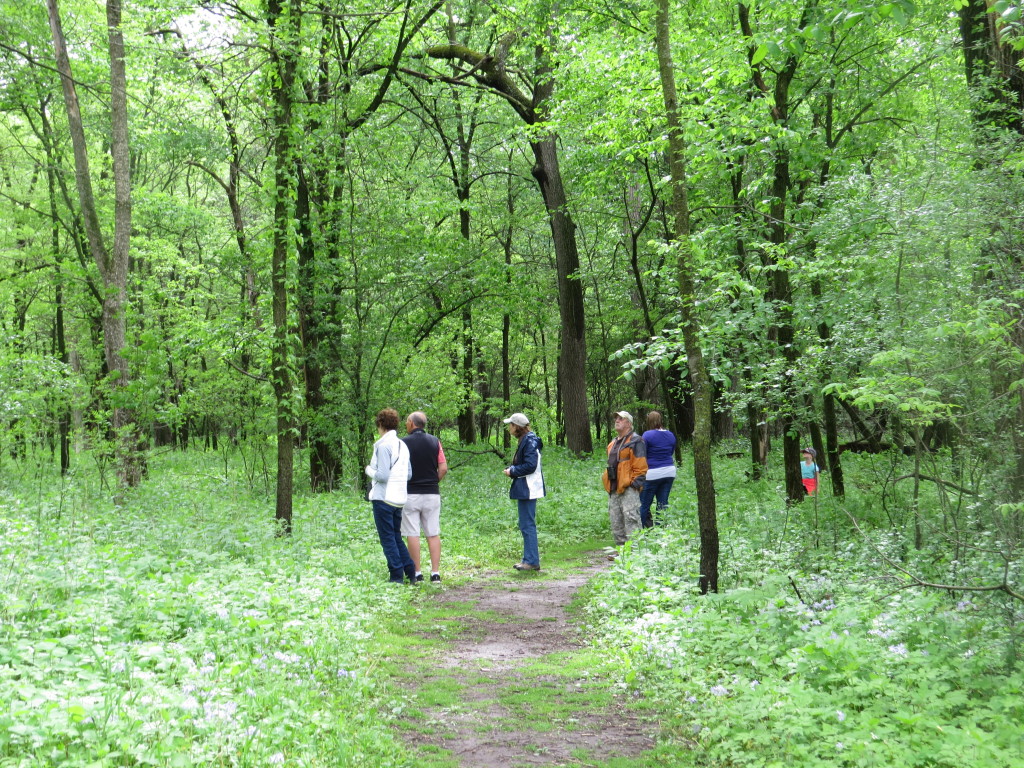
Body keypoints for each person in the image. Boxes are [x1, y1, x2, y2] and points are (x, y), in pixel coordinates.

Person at [365, 408, 415, 584]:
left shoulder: (384, 446)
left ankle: (396, 577)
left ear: (380, 424)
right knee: (395, 536)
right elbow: (409, 474)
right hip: (399, 498)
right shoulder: (403, 445)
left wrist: (369, 470)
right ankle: (410, 572)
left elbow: (382, 475)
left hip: (384, 498)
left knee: (388, 539)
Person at [401, 411, 447, 583]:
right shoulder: (435, 442)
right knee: (433, 533)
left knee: (412, 534)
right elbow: (443, 468)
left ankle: (417, 573)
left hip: (410, 494)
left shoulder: (402, 443)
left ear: (412, 424)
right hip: (431, 494)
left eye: (406, 421)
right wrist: (433, 482)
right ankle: (435, 573)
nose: (405, 424)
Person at [502, 412, 544, 571]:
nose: (509, 428)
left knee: (527, 524)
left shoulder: (530, 442)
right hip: (527, 486)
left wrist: (512, 471)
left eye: (510, 425)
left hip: (529, 487)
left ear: (516, 427)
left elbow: (530, 465)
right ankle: (529, 559)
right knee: (525, 523)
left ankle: (532, 561)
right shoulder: (527, 440)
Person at [602, 411, 648, 547]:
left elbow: (641, 467)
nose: (617, 420)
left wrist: (634, 485)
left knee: (631, 520)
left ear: (629, 423)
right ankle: (622, 552)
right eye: (616, 418)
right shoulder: (612, 443)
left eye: (621, 419)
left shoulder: (636, 441)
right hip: (614, 488)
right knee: (616, 521)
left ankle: (636, 553)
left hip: (628, 488)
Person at [639, 411, 676, 528]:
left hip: (652, 473)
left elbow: (642, 454)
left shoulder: (647, 435)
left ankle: (638, 532)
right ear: (661, 420)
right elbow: (671, 451)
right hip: (669, 471)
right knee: (663, 504)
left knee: (644, 504)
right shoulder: (670, 434)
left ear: (648, 421)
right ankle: (661, 533)